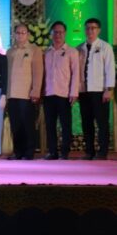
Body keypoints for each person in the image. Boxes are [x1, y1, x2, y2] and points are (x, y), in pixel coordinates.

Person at [77, 18, 115, 160]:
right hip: (84, 91)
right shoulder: (79, 48)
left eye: (93, 28)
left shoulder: (105, 47)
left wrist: (109, 89)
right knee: (86, 123)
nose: (90, 31)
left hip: (100, 91)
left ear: (98, 30)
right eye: (87, 28)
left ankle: (102, 152)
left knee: (102, 123)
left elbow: (110, 69)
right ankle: (89, 151)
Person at [6, 24, 43, 160]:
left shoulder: (34, 50)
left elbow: (38, 72)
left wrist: (36, 90)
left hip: (27, 94)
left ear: (28, 34)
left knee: (27, 124)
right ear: (14, 34)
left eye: (23, 32)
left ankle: (29, 152)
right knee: (15, 124)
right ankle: (18, 152)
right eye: (18, 32)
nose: (20, 35)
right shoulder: (10, 51)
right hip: (11, 93)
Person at [43, 21, 80, 160]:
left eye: (60, 32)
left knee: (65, 125)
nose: (58, 35)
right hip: (48, 93)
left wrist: (74, 92)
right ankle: (52, 151)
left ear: (65, 33)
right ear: (51, 34)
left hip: (64, 94)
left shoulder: (72, 51)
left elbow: (76, 73)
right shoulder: (46, 52)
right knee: (50, 125)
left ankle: (65, 152)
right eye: (55, 32)